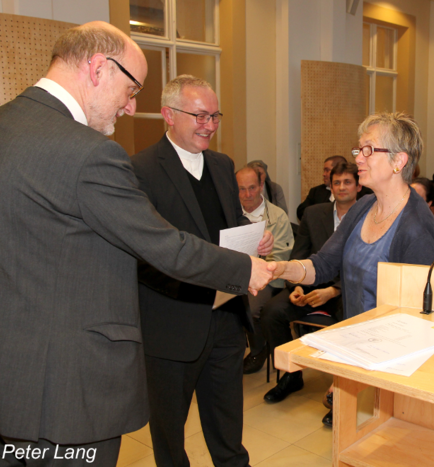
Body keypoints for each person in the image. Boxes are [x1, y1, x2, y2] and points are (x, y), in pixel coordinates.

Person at [0, 23, 275, 465]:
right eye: (131, 89)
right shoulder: (89, 153)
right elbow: (163, 244)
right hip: (69, 393)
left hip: (0, 378)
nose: (131, 107)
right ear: (98, 68)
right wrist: (246, 268)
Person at [131, 75, 275, 467]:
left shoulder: (222, 164)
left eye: (215, 116)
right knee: (170, 436)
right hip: (172, 323)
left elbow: (228, 225)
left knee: (228, 431)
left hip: (226, 317)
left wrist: (253, 241)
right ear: (168, 115)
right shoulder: (140, 169)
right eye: (199, 116)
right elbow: (144, 254)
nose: (209, 125)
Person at [273, 111, 434, 320]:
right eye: (359, 150)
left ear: (398, 160)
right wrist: (279, 268)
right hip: (354, 331)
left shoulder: (418, 227)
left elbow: (416, 313)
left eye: (368, 150)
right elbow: (323, 265)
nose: (358, 158)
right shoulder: (364, 206)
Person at [261, 163, 361, 407]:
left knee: (352, 322)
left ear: (359, 186)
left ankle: (340, 390)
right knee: (272, 312)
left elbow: (365, 265)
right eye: (337, 182)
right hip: (309, 287)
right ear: (330, 186)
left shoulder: (369, 216)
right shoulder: (314, 214)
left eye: (348, 182)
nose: (342, 187)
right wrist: (295, 286)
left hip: (345, 291)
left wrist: (333, 290)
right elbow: (299, 253)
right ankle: (291, 375)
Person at [237, 166, 294, 375]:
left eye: (252, 188)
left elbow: (279, 257)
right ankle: (227, 352)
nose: (247, 194)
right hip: (235, 274)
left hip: (269, 278)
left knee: (248, 306)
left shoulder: (277, 216)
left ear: (261, 186)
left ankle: (258, 350)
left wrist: (254, 274)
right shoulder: (230, 213)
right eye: (241, 189)